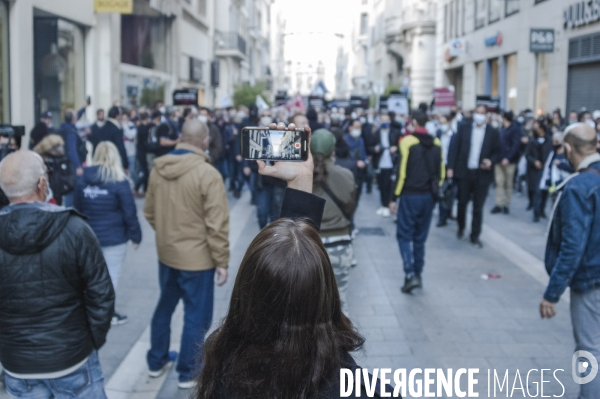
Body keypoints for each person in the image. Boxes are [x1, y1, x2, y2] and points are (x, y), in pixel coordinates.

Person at [195, 122, 389, 399]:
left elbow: (290, 265)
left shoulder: (223, 372)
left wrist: (300, 181)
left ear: (247, 294)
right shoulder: (361, 389)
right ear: (326, 296)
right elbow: (296, 266)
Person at [0, 150, 114, 398]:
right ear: (42, 183)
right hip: (71, 358)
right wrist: (89, 342)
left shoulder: (73, 228)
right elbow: (101, 294)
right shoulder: (75, 229)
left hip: (18, 364)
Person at [143, 119, 229, 389]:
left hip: (167, 254)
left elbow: (149, 211)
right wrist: (221, 260)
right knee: (197, 315)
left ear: (180, 138)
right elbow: (217, 224)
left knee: (164, 307)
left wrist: (168, 234)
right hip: (198, 259)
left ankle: (156, 361)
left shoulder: (159, 168)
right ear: (205, 141)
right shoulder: (208, 174)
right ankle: (189, 371)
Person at [539, 123, 600, 399]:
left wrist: (552, 293)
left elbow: (572, 245)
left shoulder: (578, 187)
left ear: (567, 148)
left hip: (590, 281)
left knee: (589, 350)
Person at [73, 141, 141, 326]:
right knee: (111, 276)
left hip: (88, 237)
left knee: (89, 276)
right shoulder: (119, 181)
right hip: (114, 238)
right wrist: (136, 236)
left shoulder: (83, 179)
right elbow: (129, 212)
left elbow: (76, 209)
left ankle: (89, 311)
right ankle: (106, 314)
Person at [389, 110, 444, 294]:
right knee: (420, 238)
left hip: (410, 195)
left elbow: (402, 173)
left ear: (413, 122)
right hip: (428, 197)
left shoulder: (407, 141)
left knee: (404, 235)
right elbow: (441, 174)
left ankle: (409, 273)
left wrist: (394, 197)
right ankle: (418, 274)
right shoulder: (436, 142)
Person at [311, 128, 357, 315]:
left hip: (312, 246)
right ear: (333, 151)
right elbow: (351, 208)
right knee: (340, 301)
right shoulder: (347, 175)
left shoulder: (303, 176)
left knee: (312, 305)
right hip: (341, 245)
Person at [447, 104, 501, 248]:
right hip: (464, 172)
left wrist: (491, 161)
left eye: (482, 113)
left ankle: (475, 235)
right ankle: (461, 227)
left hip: (481, 174)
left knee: (478, 206)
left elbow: (498, 151)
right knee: (462, 203)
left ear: (486, 115)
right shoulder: (464, 128)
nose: (479, 115)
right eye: (477, 112)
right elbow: (455, 148)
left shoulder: (492, 132)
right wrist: (450, 167)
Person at [491, 110, 522, 214]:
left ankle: (506, 204)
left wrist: (508, 158)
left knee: (508, 183)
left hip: (510, 162)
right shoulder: (501, 128)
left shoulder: (515, 129)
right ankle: (498, 204)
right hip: (499, 160)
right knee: (499, 182)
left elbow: (516, 146)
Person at [368, 114, 398, 218]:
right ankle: (384, 205)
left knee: (389, 186)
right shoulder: (376, 133)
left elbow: (399, 145)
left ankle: (388, 205)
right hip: (380, 164)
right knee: (381, 185)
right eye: (382, 120)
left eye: (386, 120)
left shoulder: (394, 132)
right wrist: (374, 149)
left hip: (391, 164)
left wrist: (396, 148)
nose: (384, 122)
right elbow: (369, 147)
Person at [32, 134, 75, 206]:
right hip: (49, 193)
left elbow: (69, 175)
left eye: (60, 146)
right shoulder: (44, 160)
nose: (61, 148)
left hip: (62, 192)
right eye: (57, 146)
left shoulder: (63, 159)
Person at [526, 118, 554, 222]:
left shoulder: (549, 141)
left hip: (546, 170)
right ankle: (536, 213)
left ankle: (542, 210)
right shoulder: (532, 141)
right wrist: (534, 162)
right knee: (536, 192)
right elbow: (528, 155)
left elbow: (552, 153)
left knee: (545, 191)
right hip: (535, 170)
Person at [90, 106, 129, 171]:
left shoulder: (103, 128)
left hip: (102, 162)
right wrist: (126, 165)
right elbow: (121, 148)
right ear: (117, 116)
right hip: (113, 161)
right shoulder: (116, 129)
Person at [436, 115, 455, 227]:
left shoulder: (454, 136)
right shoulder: (438, 134)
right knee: (441, 191)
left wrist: (451, 168)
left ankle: (449, 212)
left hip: (449, 166)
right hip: (440, 165)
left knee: (450, 192)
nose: (442, 125)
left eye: (444, 122)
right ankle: (442, 217)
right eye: (440, 123)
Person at [344, 119, 368, 201]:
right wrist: (356, 162)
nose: (359, 129)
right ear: (350, 128)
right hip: (349, 173)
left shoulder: (361, 140)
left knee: (357, 195)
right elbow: (343, 159)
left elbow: (363, 154)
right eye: (356, 127)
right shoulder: (345, 140)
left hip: (359, 174)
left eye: (360, 127)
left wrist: (365, 161)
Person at [134, 112, 151, 197]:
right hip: (142, 153)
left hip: (140, 152)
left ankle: (144, 190)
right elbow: (145, 142)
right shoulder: (143, 128)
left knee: (145, 172)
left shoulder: (140, 127)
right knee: (144, 173)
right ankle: (137, 188)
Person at [122, 111, 138, 184]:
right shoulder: (119, 125)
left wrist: (125, 127)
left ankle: (135, 185)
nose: (124, 120)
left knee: (132, 170)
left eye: (126, 118)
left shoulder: (131, 125)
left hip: (131, 151)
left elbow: (131, 135)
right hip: (123, 152)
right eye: (123, 118)